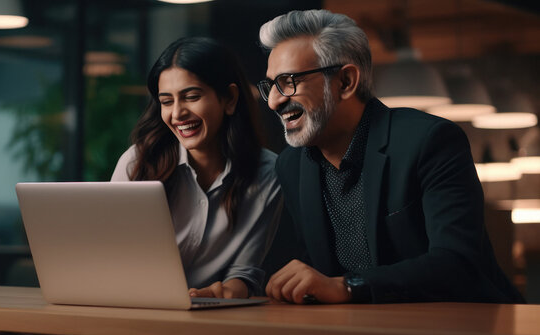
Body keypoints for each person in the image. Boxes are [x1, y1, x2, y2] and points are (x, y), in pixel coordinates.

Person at [257, 9, 525, 304]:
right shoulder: (290, 165)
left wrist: (348, 286)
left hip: (468, 330)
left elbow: (456, 261)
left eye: (289, 82)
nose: (273, 101)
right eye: (271, 85)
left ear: (346, 81)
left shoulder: (430, 141)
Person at [111, 37, 283, 299]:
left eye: (191, 97)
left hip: (212, 323)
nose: (177, 113)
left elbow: (245, 273)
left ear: (230, 99)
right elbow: (109, 257)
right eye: (166, 101)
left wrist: (222, 292)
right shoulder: (137, 163)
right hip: (133, 309)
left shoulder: (268, 173)